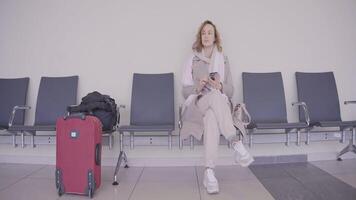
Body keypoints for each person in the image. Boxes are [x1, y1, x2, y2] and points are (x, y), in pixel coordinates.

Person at [181, 20, 254, 194]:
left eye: (210, 33)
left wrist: (220, 86)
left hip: (217, 106)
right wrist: (198, 87)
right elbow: (185, 91)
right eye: (203, 33)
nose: (206, 36)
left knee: (212, 117)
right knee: (211, 97)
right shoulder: (191, 59)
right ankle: (235, 143)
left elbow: (230, 90)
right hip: (198, 103)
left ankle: (209, 172)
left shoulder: (223, 59)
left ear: (215, 37)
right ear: (200, 37)